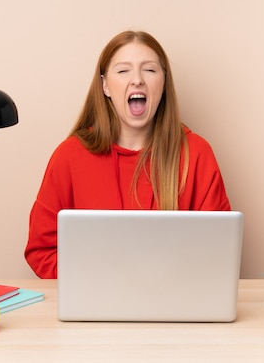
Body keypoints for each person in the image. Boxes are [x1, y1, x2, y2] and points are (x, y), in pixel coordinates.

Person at [24, 30, 231, 278]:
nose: (137, 80)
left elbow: (218, 251)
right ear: (105, 86)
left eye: (150, 70)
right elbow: (42, 251)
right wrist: (99, 281)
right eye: (123, 71)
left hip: (173, 305)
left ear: (163, 84)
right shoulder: (69, 155)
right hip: (94, 305)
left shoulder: (197, 153)